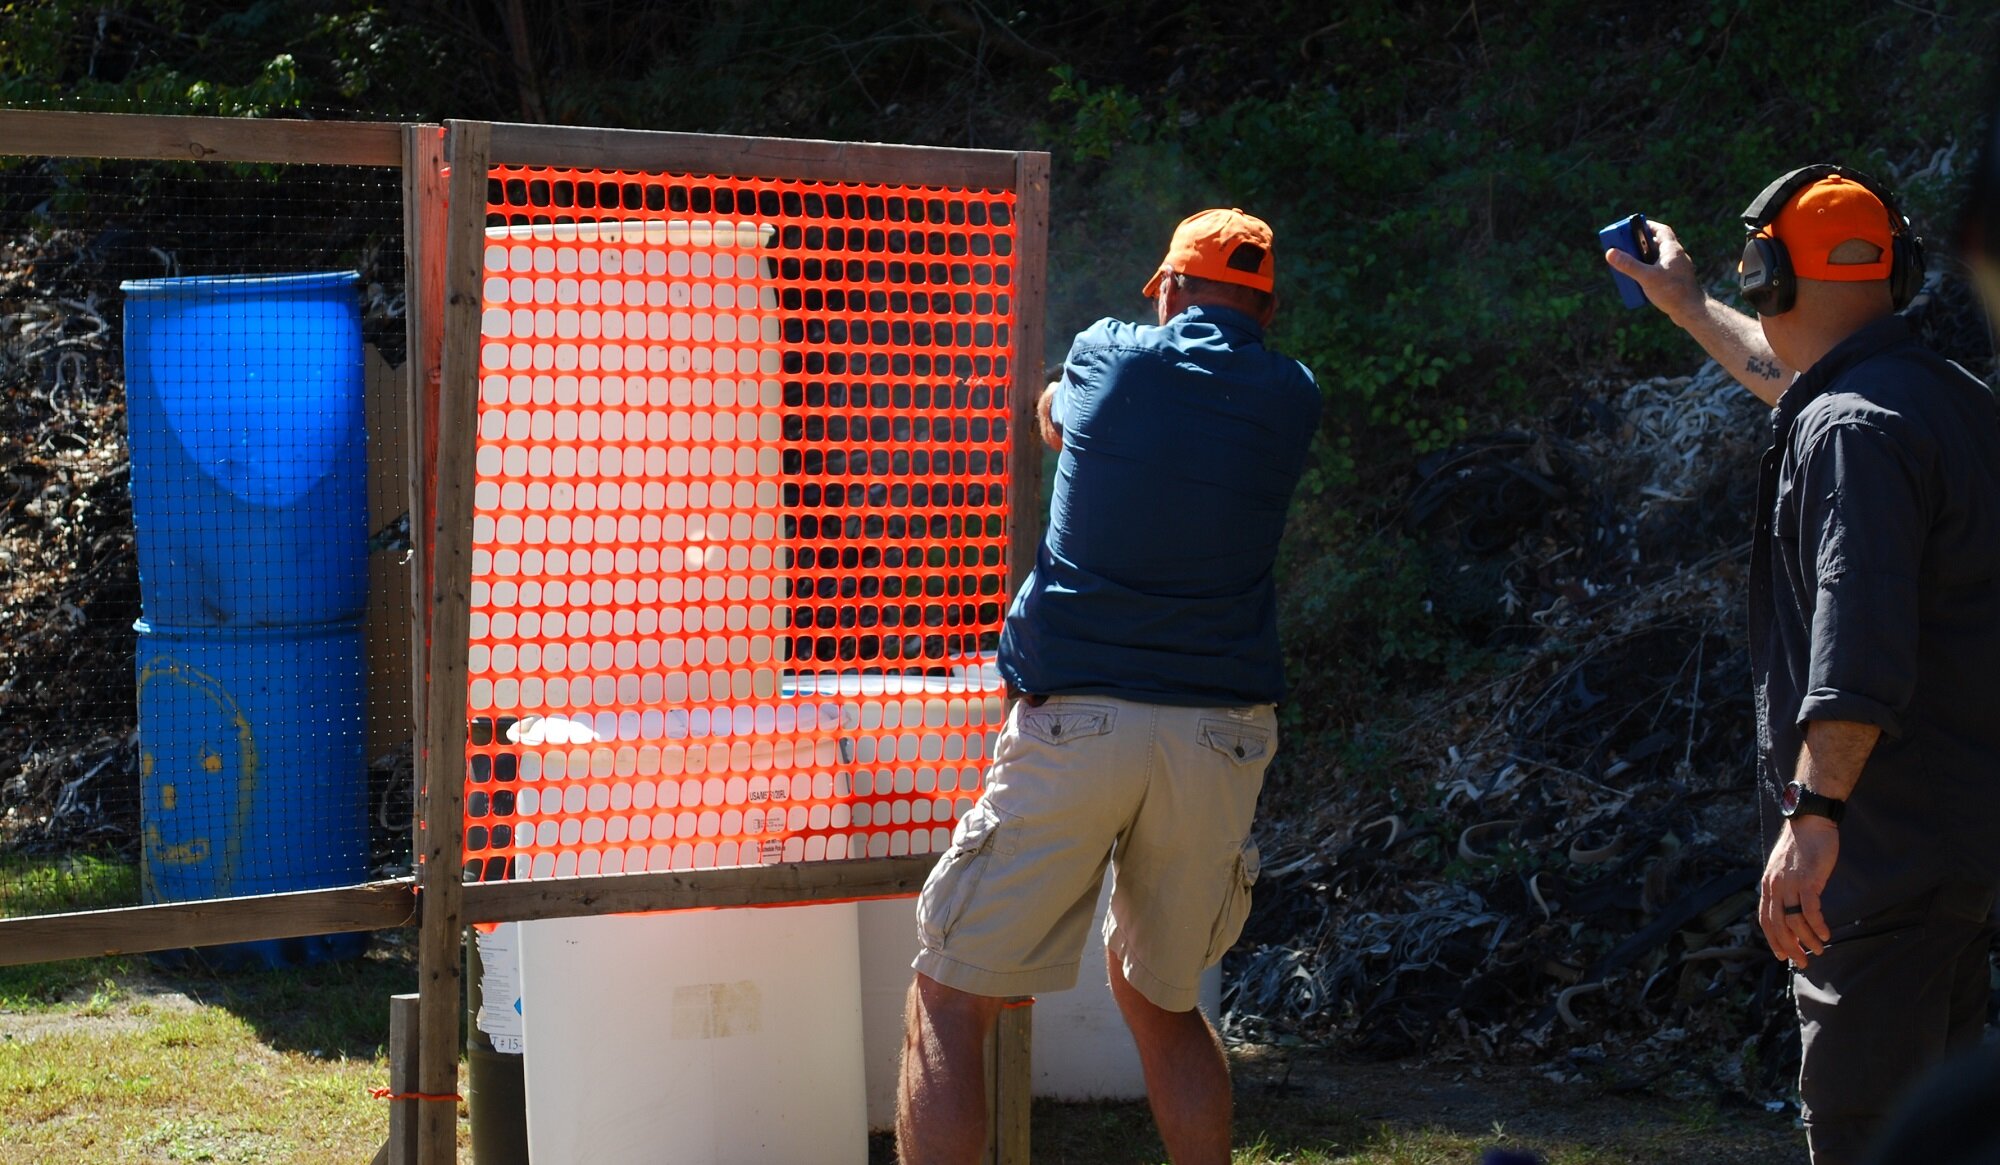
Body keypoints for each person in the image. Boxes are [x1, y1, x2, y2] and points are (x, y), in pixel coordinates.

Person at [895, 208, 1322, 1164]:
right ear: (1269, 305)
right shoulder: (1293, 395)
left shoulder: (1108, 356)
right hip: (1221, 734)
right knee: (1162, 998)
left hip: (1082, 720)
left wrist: (1058, 400)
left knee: (950, 997)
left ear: (1169, 289)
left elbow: (1059, 408)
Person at [1605, 167, 2000, 1165]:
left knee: (1864, 1127)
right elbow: (1785, 377)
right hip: (1955, 849)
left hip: (1879, 848)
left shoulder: (1849, 429)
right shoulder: (1931, 398)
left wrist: (1812, 817)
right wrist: (1690, 306)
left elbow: (1856, 639)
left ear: (1772, 278)